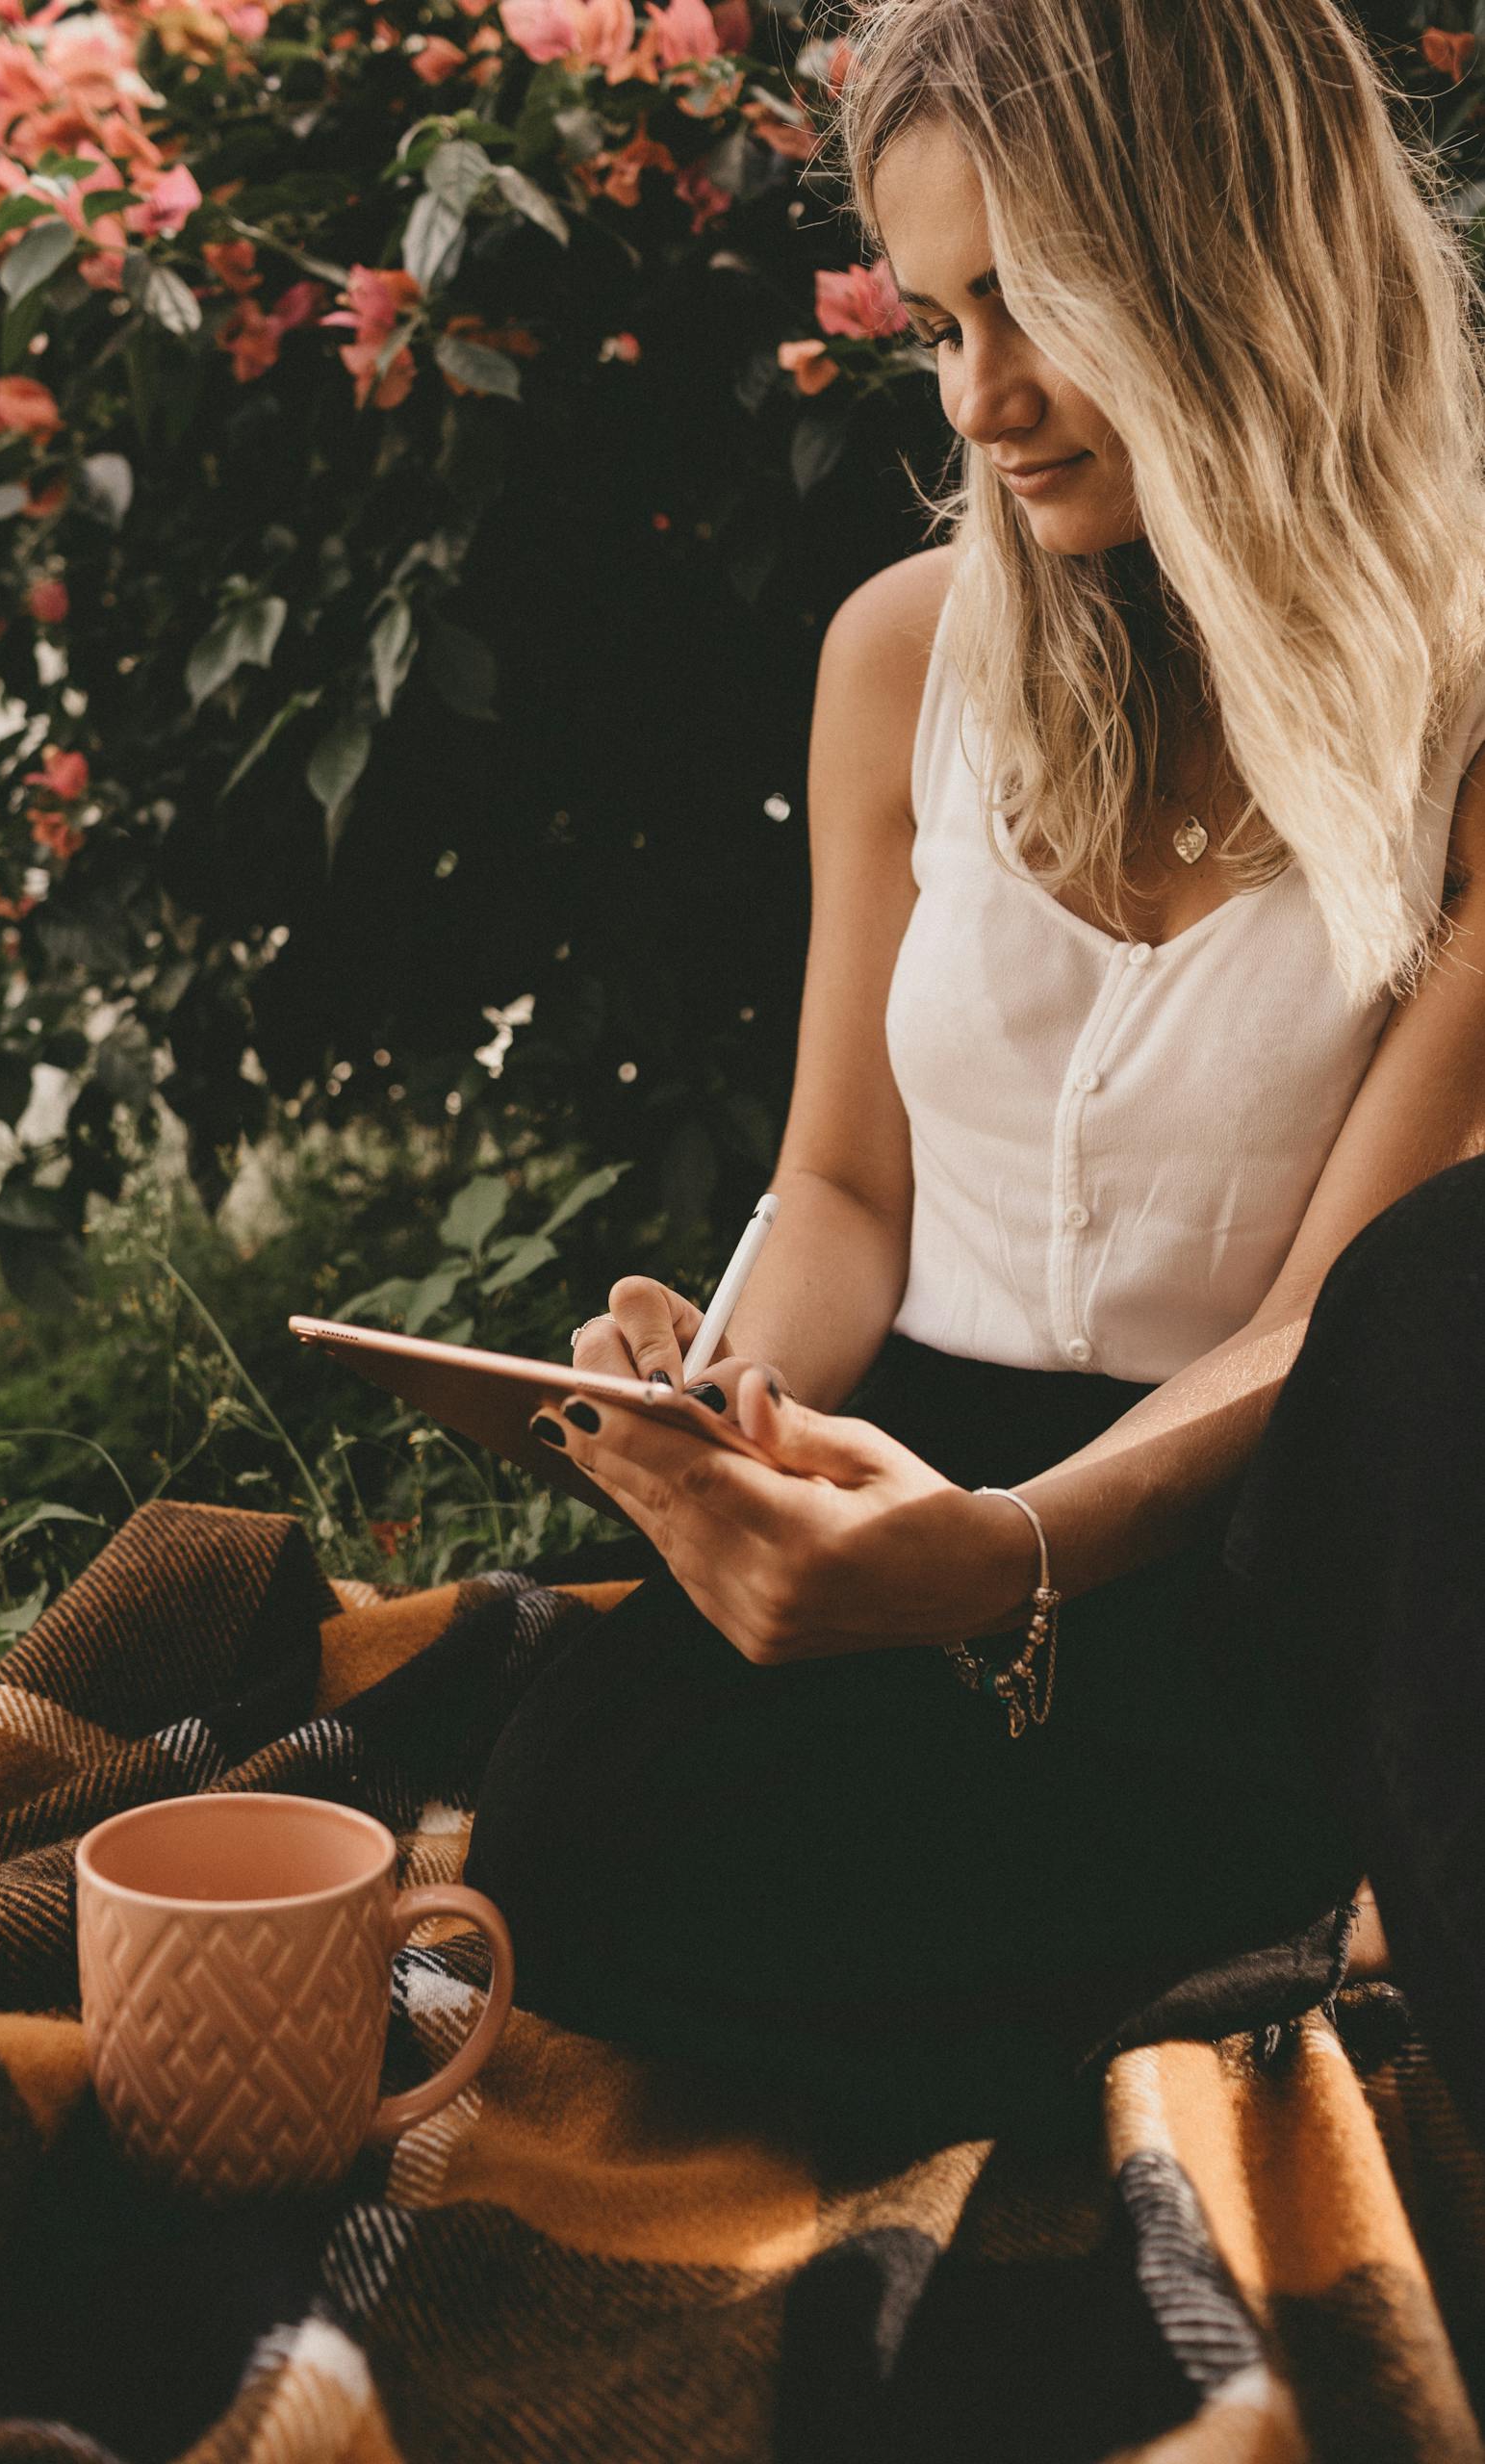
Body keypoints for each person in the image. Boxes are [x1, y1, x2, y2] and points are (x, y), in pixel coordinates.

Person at [463, 0, 1485, 2156]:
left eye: (1034, 307)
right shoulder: (900, 654)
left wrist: (1007, 1554)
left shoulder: (1459, 713)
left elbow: (1349, 1312)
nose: (979, 399)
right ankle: (1208, 1987)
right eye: (933, 321)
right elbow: (841, 1185)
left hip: (1225, 1534)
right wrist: (722, 1407)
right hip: (892, 1465)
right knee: (571, 1827)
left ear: (1234, 267)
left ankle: (1267, 1938)